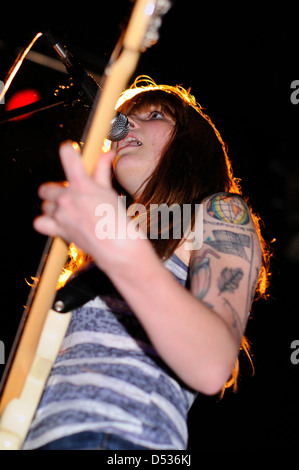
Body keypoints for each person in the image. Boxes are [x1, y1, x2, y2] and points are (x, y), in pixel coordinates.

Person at [23, 76, 269, 450]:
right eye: (121, 118)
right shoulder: (103, 246)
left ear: (192, 145)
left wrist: (118, 247)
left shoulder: (217, 211)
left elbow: (211, 363)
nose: (125, 125)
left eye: (153, 114)